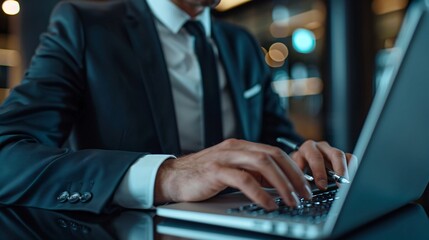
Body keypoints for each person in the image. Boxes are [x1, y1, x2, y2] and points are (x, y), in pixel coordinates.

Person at [0, 0, 352, 213]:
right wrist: (166, 177)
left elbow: (277, 137)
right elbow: (7, 155)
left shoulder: (241, 43)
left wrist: (303, 158)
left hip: (255, 219)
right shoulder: (85, 27)